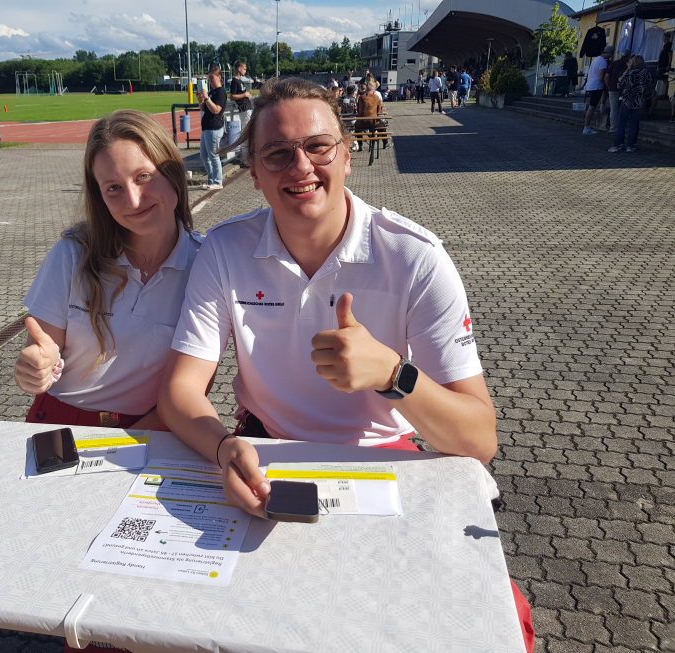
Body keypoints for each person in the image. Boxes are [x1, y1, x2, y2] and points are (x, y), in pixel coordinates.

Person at [158, 76, 534, 653]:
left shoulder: (413, 258)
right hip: (267, 452)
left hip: (384, 462)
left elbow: (479, 438)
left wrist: (393, 375)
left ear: (348, 155)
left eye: (318, 147)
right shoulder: (226, 251)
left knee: (485, 620)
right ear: (254, 173)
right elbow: (180, 392)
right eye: (277, 154)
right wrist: (221, 446)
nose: (300, 167)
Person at [15, 110, 203, 431]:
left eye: (144, 176)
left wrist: (132, 442)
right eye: (113, 187)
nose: (133, 200)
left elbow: (194, 387)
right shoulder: (73, 253)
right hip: (59, 420)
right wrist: (34, 368)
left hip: (154, 425)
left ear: (173, 171)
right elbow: (43, 348)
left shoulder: (206, 264)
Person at [609, 55, 653, 153]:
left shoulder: (628, 73)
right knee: (634, 124)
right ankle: (631, 146)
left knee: (621, 124)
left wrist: (620, 80)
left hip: (627, 100)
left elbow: (619, 85)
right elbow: (650, 85)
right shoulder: (646, 73)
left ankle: (617, 145)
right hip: (639, 101)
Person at [196, 64, 227, 190]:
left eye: (211, 78)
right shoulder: (213, 92)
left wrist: (207, 97)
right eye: (208, 78)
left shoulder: (221, 93)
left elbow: (216, 110)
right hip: (206, 128)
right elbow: (204, 109)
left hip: (214, 128)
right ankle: (211, 180)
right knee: (204, 156)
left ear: (219, 77)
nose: (209, 80)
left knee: (213, 156)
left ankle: (218, 181)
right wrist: (200, 100)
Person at [583, 45, 614, 135]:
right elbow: (601, 77)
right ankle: (586, 127)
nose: (611, 56)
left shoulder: (596, 59)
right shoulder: (603, 62)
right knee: (592, 107)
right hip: (596, 86)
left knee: (591, 107)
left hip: (591, 85)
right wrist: (606, 85)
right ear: (608, 53)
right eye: (611, 54)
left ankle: (587, 127)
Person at [229, 60, 254, 168]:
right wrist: (244, 94)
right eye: (244, 69)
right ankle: (245, 158)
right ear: (239, 69)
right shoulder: (235, 82)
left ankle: (247, 156)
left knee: (249, 131)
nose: (245, 71)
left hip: (247, 108)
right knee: (246, 132)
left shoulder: (240, 81)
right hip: (244, 110)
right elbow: (232, 96)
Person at [604, 50, 630, 132]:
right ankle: (623, 127)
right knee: (625, 108)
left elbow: (607, 75)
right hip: (625, 89)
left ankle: (613, 128)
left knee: (613, 108)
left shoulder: (615, 63)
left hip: (613, 87)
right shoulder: (630, 64)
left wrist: (608, 86)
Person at [647, 33, 672, 118]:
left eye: (665, 37)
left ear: (667, 37)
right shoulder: (664, 45)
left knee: (662, 79)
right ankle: (654, 93)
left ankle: (664, 94)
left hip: (664, 66)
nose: (663, 38)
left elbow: (669, 55)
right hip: (661, 65)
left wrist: (668, 64)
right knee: (657, 79)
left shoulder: (668, 45)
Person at [355, 82, 383, 150]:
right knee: (383, 125)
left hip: (362, 123)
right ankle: (385, 143)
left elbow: (358, 109)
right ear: (373, 91)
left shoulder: (361, 97)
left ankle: (360, 144)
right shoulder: (376, 98)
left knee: (357, 127)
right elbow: (379, 111)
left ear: (366, 90)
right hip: (373, 122)